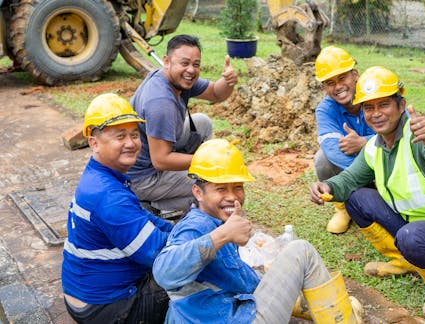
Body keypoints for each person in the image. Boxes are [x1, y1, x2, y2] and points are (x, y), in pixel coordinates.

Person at [309, 66, 425, 321]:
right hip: (415, 228)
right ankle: (405, 261)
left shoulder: (421, 136)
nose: (376, 114)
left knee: (411, 235)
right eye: (369, 108)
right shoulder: (373, 146)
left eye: (384, 105)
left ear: (401, 105)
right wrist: (328, 187)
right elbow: (349, 179)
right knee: (356, 199)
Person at [153, 139, 364, 323]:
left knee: (269, 273)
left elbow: (243, 280)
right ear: (198, 192)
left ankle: (325, 309)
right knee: (301, 251)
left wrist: (279, 281)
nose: (232, 196)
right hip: (232, 318)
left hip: (221, 314)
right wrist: (224, 235)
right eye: (221, 189)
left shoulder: (215, 221)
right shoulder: (196, 227)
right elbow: (164, 273)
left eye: (237, 187)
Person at [61, 93, 173, 323]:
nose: (131, 143)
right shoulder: (108, 195)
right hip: (104, 308)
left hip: (86, 294)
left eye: (134, 134)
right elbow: (159, 256)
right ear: (93, 142)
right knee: (192, 282)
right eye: (120, 136)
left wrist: (178, 230)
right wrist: (207, 241)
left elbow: (147, 218)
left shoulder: (102, 176)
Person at [128, 34, 238, 215]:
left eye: (196, 64)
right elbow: (161, 160)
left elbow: (216, 93)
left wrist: (227, 82)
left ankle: (181, 188)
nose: (191, 70)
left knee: (202, 123)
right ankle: (156, 204)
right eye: (184, 63)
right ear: (167, 61)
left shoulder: (178, 79)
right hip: (143, 177)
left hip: (152, 154)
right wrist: (209, 160)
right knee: (211, 186)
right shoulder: (160, 103)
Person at [314, 46, 375, 234]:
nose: (338, 86)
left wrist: (365, 142)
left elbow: (402, 132)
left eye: (342, 78)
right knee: (322, 159)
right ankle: (342, 208)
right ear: (324, 87)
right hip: (359, 171)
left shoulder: (376, 93)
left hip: (388, 167)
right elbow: (332, 149)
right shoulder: (325, 110)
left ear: (355, 75)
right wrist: (364, 175)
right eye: (330, 82)